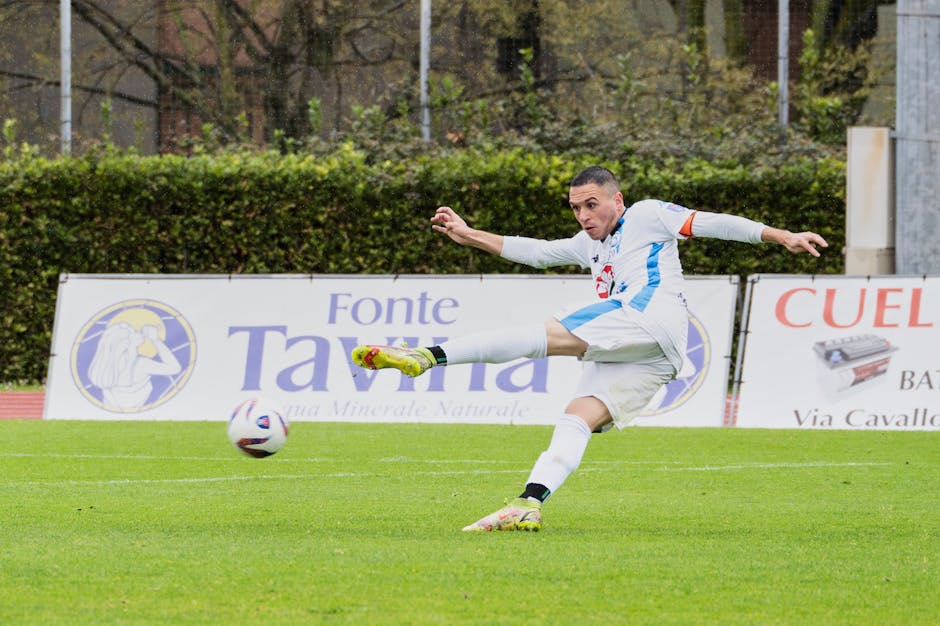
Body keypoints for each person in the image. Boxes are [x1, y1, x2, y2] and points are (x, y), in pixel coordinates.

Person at [351, 165, 827, 532]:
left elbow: (712, 223)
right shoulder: (588, 243)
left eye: (592, 205)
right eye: (576, 208)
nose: (584, 216)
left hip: (646, 314)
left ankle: (427, 356)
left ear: (616, 200)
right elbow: (536, 252)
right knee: (576, 417)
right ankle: (528, 505)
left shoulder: (646, 215)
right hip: (658, 356)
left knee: (543, 336)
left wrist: (780, 235)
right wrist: (469, 234)